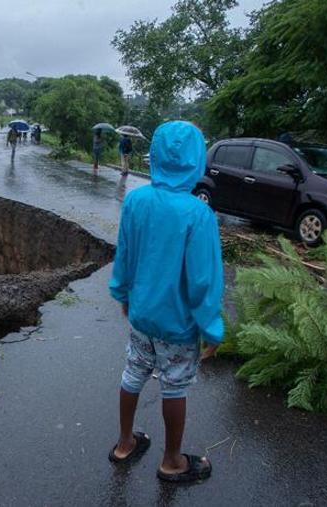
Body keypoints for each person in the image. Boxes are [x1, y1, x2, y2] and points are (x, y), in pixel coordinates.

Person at [108, 121, 223, 483]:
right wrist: (211, 327)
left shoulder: (136, 200)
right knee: (174, 385)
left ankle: (125, 444)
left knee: (133, 373)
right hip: (179, 323)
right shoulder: (198, 213)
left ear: (154, 154)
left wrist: (123, 294)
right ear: (195, 159)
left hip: (142, 316)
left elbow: (125, 254)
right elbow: (203, 279)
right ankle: (172, 461)